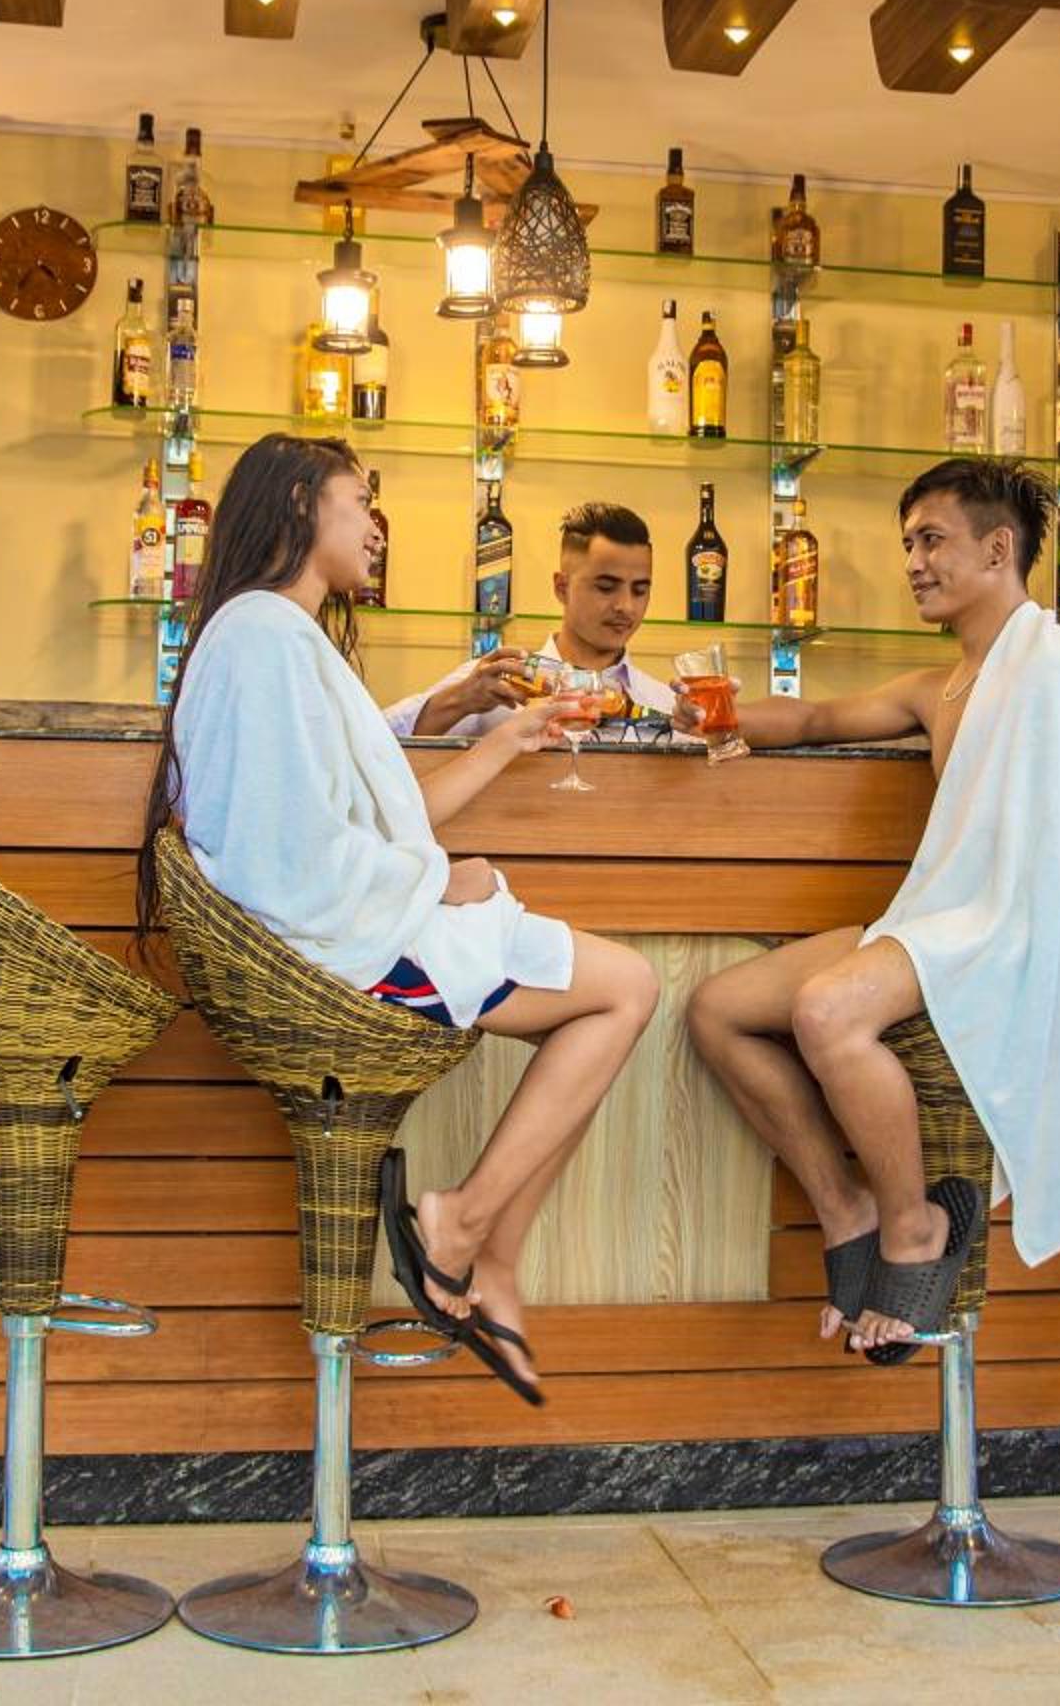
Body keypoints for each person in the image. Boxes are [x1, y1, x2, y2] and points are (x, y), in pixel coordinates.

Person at [140, 433, 658, 1403]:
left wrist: (511, 735)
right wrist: (433, 885)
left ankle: (485, 1247)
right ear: (303, 505)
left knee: (620, 988)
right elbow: (284, 852)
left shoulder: (277, 634)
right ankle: (465, 1229)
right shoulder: (264, 637)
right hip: (337, 957)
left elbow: (377, 817)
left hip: (341, 932)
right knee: (624, 989)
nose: (377, 527)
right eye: (360, 502)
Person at [680, 458, 1060, 1359]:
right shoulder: (940, 685)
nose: (913, 562)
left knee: (827, 1011)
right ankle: (848, 1208)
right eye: (909, 543)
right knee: (719, 1010)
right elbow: (817, 718)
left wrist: (1040, 933)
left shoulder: (1056, 667)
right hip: (939, 919)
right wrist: (722, 719)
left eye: (932, 540)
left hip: (1006, 926)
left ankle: (915, 1225)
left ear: (998, 549)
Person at [384, 501, 678, 739]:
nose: (626, 606)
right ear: (561, 587)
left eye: (640, 590)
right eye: (605, 587)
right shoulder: (493, 683)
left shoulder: (666, 706)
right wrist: (459, 701)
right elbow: (377, 741)